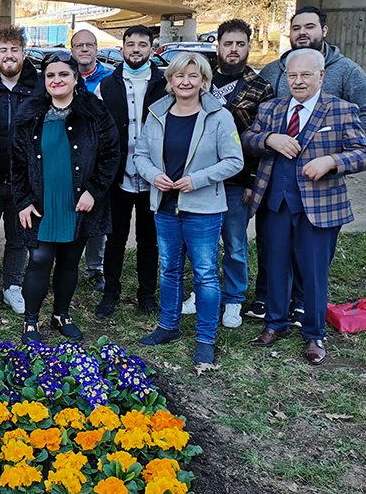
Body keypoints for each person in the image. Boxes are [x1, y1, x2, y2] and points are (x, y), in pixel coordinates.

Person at [244, 48, 366, 365]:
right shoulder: (271, 108)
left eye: (305, 75)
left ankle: (314, 333)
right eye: (292, 75)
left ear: (321, 75)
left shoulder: (341, 110)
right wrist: (270, 138)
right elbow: (248, 138)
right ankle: (275, 323)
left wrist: (332, 161)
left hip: (319, 207)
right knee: (274, 266)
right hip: (276, 203)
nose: (298, 82)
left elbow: (362, 152)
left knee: (313, 273)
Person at [133, 53, 243, 366]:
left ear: (204, 82)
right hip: (166, 206)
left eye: (193, 76)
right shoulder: (157, 114)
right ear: (170, 81)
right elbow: (141, 155)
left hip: (203, 209)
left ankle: (205, 338)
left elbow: (235, 161)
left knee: (205, 274)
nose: (186, 82)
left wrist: (197, 179)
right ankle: (168, 326)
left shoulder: (219, 116)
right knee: (168, 269)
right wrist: (153, 175)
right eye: (180, 76)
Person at [10, 55, 118, 344]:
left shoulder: (95, 113)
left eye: (63, 74)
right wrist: (22, 201)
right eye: (50, 75)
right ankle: (30, 321)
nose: (56, 80)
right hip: (41, 203)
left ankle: (61, 315)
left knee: (70, 260)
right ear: (44, 81)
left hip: (78, 203)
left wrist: (94, 191)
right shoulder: (29, 115)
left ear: (75, 78)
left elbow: (111, 156)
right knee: (40, 259)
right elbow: (17, 164)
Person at [178, 20, 273, 328]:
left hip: (237, 180)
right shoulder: (202, 80)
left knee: (234, 243)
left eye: (240, 44)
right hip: (200, 178)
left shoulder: (260, 87)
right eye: (228, 43)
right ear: (217, 45)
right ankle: (203, 291)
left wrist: (252, 181)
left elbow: (264, 138)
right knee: (200, 243)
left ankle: (233, 298)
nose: (233, 50)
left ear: (248, 47)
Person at [95, 25, 167, 318]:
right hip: (118, 176)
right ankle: (110, 293)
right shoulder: (107, 86)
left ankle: (146, 295)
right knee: (115, 238)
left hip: (154, 177)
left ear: (152, 49)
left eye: (142, 44)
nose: (136, 49)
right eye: (130, 44)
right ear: (122, 48)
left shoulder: (165, 84)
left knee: (149, 240)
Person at [0, 24, 38, 316]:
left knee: (19, 238)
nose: (9, 55)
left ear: (24, 54)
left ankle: (12, 286)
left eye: (15, 50)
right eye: (3, 50)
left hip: (23, 182)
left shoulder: (38, 87)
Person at [70, 27, 112, 292]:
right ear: (71, 50)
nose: (84, 49)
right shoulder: (63, 74)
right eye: (79, 46)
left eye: (89, 45)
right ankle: (66, 265)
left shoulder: (109, 79)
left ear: (97, 48)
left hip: (98, 157)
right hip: (68, 156)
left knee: (97, 215)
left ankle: (95, 268)